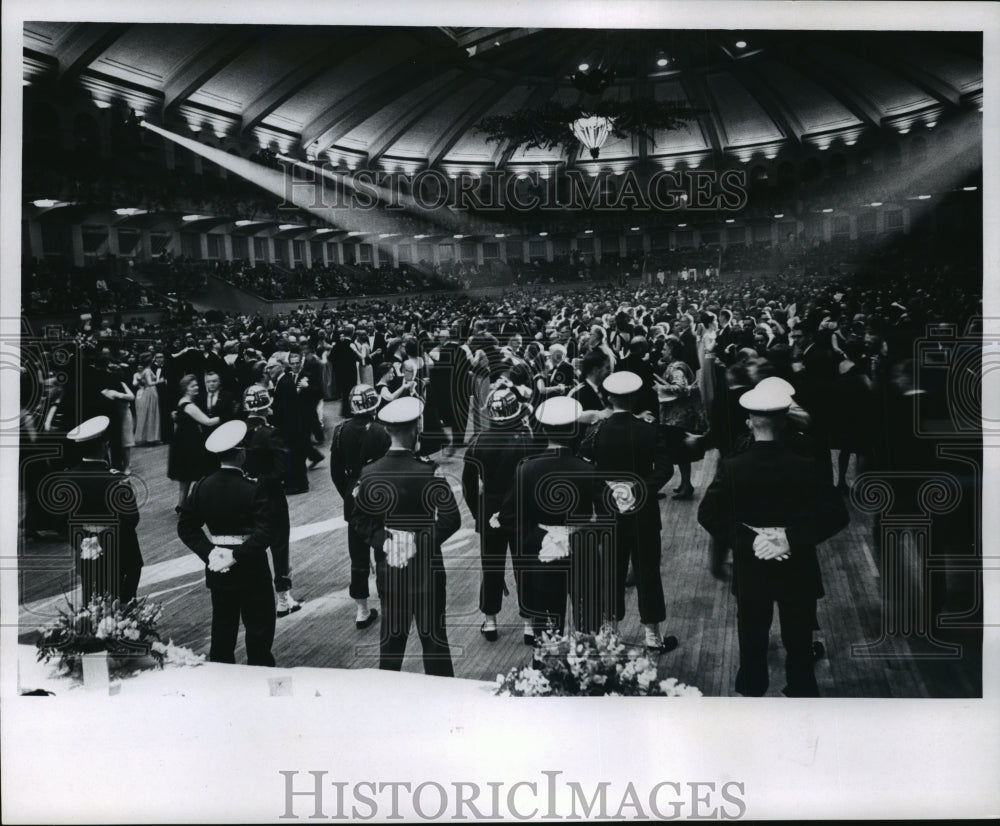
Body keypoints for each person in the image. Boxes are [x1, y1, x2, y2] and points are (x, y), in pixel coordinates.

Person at [697, 382, 849, 696]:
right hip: (799, 568)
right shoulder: (807, 465)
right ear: (784, 420)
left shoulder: (733, 467)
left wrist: (749, 539)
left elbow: (709, 514)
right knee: (799, 648)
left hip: (753, 569)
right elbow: (837, 514)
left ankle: (753, 705)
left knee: (751, 648)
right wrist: (789, 538)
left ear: (750, 422)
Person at [350, 397, 460, 676]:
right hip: (426, 566)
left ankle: (388, 700)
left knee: (392, 642)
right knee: (434, 640)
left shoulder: (370, 472)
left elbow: (359, 519)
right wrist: (418, 541)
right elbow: (451, 519)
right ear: (415, 430)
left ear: (387, 431)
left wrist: (385, 541)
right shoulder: (429, 471)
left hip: (390, 566)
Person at [499, 396, 608, 644]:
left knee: (547, 621)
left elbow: (508, 516)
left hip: (542, 550)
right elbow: (608, 514)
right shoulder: (588, 469)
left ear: (544, 430)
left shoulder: (526, 469)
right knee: (587, 619)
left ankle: (545, 669)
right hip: (583, 551)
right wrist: (587, 535)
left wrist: (534, 539)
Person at [177, 420, 276, 667]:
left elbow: (186, 527)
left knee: (222, 626)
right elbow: (265, 533)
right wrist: (239, 554)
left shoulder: (202, 487)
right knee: (259, 626)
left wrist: (210, 552)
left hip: (218, 567)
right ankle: (259, 672)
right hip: (252, 566)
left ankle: (221, 678)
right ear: (241, 453)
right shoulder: (254, 488)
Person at [590, 372, 677, 651]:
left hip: (608, 511)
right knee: (647, 570)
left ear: (608, 398)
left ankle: (611, 631)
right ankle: (653, 634)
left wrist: (608, 490)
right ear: (636, 397)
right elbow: (665, 468)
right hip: (644, 512)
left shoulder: (597, 430)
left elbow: (583, 465)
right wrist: (637, 488)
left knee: (610, 571)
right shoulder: (649, 429)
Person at [462, 386, 545, 642]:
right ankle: (530, 624)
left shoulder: (476, 442)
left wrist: (479, 514)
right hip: (521, 512)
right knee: (524, 568)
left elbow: (467, 486)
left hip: (489, 512)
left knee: (491, 567)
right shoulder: (528, 440)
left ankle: (490, 621)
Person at [58, 416, 143, 603]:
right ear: (104, 445)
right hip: (122, 556)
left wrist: (85, 541)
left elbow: (63, 522)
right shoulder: (116, 479)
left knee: (92, 605)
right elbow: (130, 519)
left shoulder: (67, 479)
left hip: (87, 553)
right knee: (123, 610)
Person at [329, 384, 391, 630]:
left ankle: (362, 610)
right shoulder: (382, 431)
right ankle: (389, 605)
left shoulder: (339, 431)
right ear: (374, 404)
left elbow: (335, 473)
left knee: (358, 557)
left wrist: (348, 493)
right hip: (380, 493)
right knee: (384, 552)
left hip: (353, 495)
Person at [242, 384, 301, 618]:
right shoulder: (271, 432)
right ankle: (283, 598)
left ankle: (256, 599)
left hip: (245, 498)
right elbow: (281, 470)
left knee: (252, 547)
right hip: (271, 498)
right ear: (266, 406)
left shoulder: (238, 431)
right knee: (279, 547)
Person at [167, 374, 220, 512]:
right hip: (190, 443)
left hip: (182, 442)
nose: (197, 388)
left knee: (186, 477)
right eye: (193, 386)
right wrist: (226, 417)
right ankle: (197, 503)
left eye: (197, 385)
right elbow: (207, 422)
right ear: (186, 388)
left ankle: (181, 505)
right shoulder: (189, 406)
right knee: (197, 474)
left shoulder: (181, 402)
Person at [133, 352, 160, 445]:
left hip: (149, 391)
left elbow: (141, 379)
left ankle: (149, 437)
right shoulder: (148, 371)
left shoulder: (146, 370)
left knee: (150, 413)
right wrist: (159, 381)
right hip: (150, 391)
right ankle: (150, 438)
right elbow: (149, 382)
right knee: (151, 412)